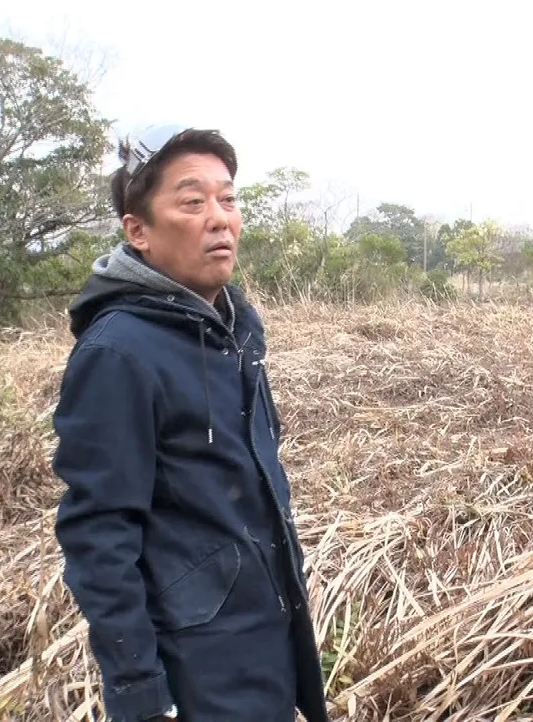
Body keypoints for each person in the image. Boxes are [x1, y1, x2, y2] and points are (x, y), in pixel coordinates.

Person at [50, 124, 329, 722]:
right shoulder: (118, 353)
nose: (219, 218)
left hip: (265, 642)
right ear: (139, 231)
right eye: (192, 201)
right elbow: (98, 534)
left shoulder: (235, 327)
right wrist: (143, 692)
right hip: (196, 668)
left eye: (228, 199)